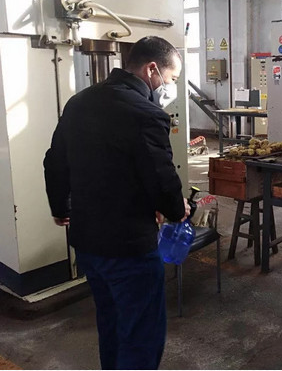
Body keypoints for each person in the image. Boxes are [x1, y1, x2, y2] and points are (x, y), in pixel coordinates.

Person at [44, 36, 191, 370]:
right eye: (171, 78)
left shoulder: (79, 102)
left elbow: (54, 161)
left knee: (110, 323)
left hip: (87, 243)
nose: (170, 87)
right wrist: (175, 208)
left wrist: (60, 207)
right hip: (129, 248)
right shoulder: (147, 114)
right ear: (152, 69)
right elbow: (160, 177)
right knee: (140, 335)